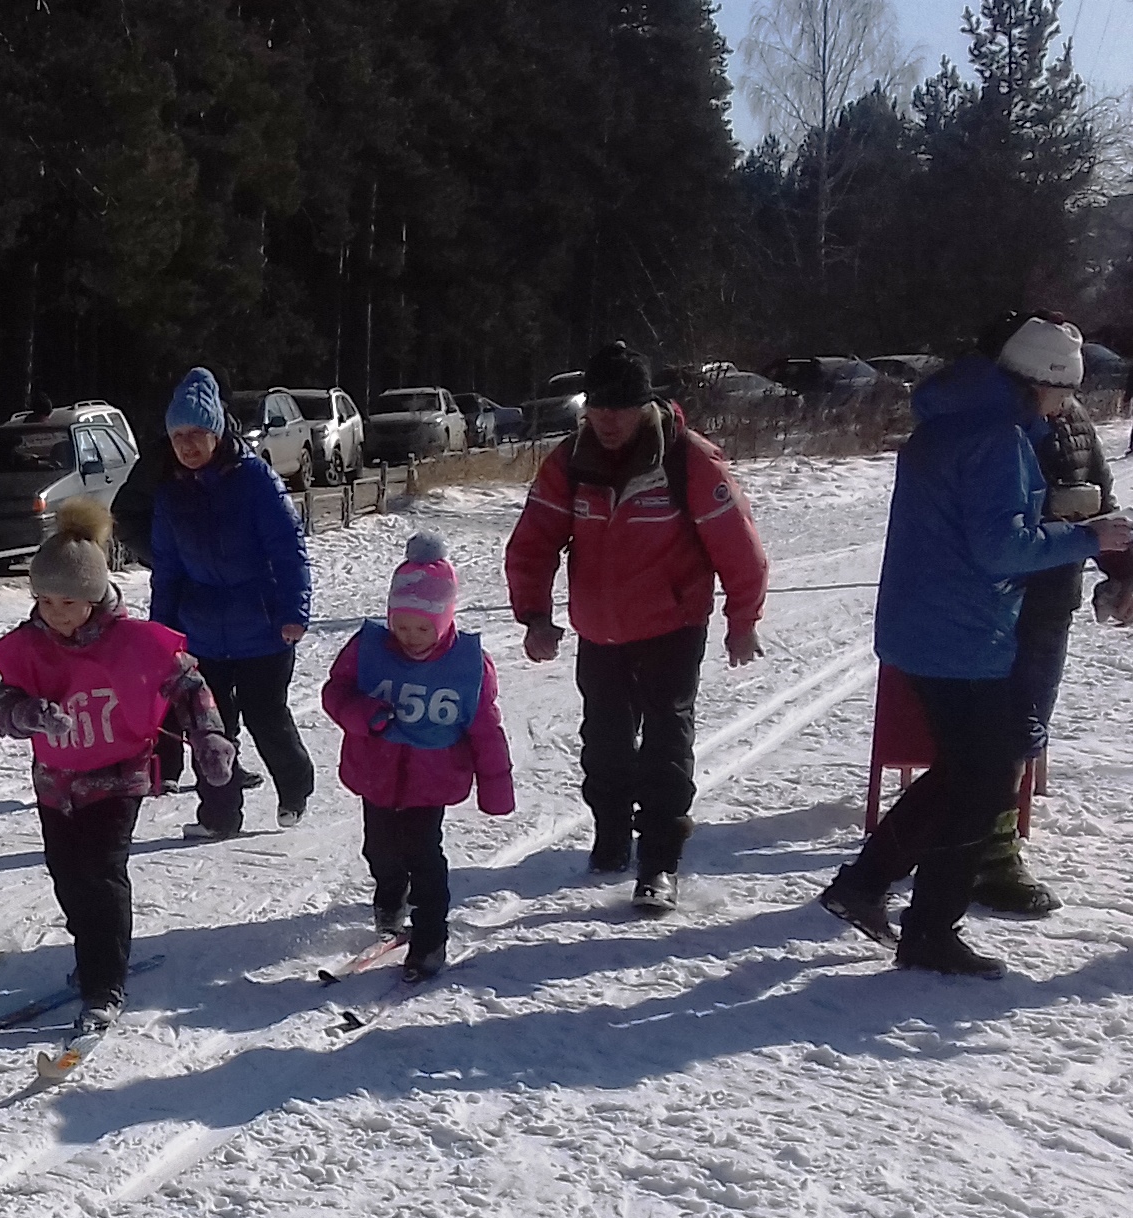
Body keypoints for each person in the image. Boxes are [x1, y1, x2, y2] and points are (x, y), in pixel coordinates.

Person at [819, 314, 1132, 975]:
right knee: (987, 772)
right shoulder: (997, 439)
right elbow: (999, 550)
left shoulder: (955, 422)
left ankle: (867, 884)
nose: (1067, 406)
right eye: (1065, 392)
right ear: (1043, 383)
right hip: (963, 632)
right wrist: (1088, 537)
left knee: (969, 768)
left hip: (926, 623)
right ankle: (927, 927)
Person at [505, 339, 769, 915]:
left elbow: (739, 547)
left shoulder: (688, 459)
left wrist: (741, 620)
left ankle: (659, 864)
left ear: (645, 404)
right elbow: (532, 543)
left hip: (670, 626)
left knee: (665, 746)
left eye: (620, 408)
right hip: (600, 631)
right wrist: (535, 615)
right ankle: (610, 834)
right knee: (603, 744)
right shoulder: (570, 460)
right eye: (597, 407)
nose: (607, 419)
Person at [0, 503, 236, 1051]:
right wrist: (23, 714)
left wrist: (210, 738)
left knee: (100, 875)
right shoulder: (31, 645)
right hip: (55, 783)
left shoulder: (136, 642)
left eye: (67, 602)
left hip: (117, 779)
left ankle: (104, 983)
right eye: (43, 600)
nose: (54, 613)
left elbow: (190, 687)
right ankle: (90, 954)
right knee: (66, 876)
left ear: (94, 595)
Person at [320, 531, 515, 981]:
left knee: (425, 857)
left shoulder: (468, 666)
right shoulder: (369, 650)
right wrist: (363, 714)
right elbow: (335, 692)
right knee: (380, 850)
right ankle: (390, 896)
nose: (410, 637)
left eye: (422, 628)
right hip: (377, 773)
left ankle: (430, 938)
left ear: (445, 620)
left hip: (430, 782)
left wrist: (496, 786)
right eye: (401, 626)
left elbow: (485, 729)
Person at [978, 325, 1122, 915]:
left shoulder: (1077, 422)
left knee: (1026, 720)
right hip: (993, 599)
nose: (1063, 401)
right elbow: (987, 521)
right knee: (988, 728)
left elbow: (1104, 503)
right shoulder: (993, 427)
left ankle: (990, 842)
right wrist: (1060, 520)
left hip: (1049, 598)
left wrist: (1120, 569)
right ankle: (987, 855)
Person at [148, 366, 316, 838]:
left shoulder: (255, 480)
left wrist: (293, 611)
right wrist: (163, 633)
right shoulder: (171, 493)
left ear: (217, 432)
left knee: (267, 716)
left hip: (262, 625)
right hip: (202, 630)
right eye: (178, 435)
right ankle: (220, 816)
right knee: (209, 729)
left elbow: (288, 547)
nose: (187, 445)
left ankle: (295, 785)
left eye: (197, 433)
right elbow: (167, 569)